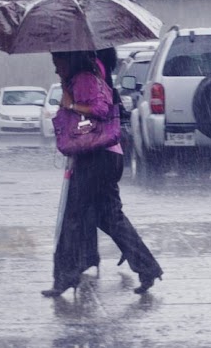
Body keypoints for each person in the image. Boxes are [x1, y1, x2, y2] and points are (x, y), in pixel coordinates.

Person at [42, 50, 163, 297]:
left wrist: (72, 105)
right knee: (109, 218)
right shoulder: (80, 78)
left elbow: (100, 109)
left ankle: (65, 277)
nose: (56, 69)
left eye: (58, 63)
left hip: (97, 157)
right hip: (105, 156)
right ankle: (147, 267)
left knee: (73, 217)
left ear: (70, 60)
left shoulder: (85, 77)